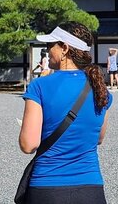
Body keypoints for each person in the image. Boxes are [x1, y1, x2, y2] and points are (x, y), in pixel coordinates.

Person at [20, 22, 112, 203]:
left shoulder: (39, 86)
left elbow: (28, 145)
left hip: (48, 186)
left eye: (50, 46)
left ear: (64, 48)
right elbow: (99, 138)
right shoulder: (100, 88)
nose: (47, 51)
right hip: (90, 186)